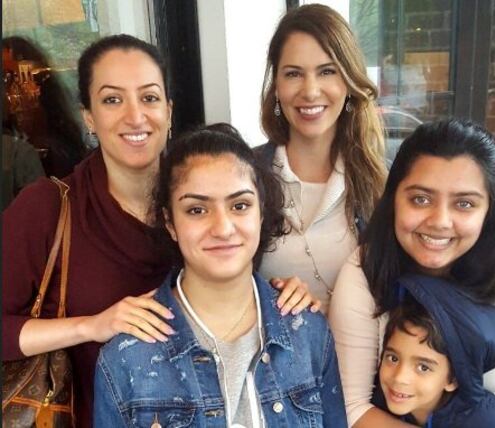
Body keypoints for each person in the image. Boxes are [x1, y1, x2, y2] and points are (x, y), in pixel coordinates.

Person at [2, 34, 315, 428]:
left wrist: (278, 295)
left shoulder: (197, 195)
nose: (135, 116)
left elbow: (226, 271)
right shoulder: (48, 208)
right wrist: (91, 325)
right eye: (112, 99)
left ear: (168, 110)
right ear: (87, 115)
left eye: (149, 98)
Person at [328, 118, 495, 427]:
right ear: (394, 199)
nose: (440, 221)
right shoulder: (366, 269)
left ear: (489, 209)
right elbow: (350, 405)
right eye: (420, 199)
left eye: (464, 204)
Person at [94, 124, 347, 427]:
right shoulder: (127, 358)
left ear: (261, 212)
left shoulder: (307, 331)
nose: (223, 228)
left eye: (240, 205)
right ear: (170, 222)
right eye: (197, 210)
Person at [256, 3, 387, 314]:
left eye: (327, 71)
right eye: (293, 74)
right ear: (277, 86)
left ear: (349, 82)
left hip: (361, 358)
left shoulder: (382, 183)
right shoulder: (248, 175)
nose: (311, 91)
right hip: (274, 358)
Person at [374, 275, 495, 427]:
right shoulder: (380, 402)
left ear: (453, 379)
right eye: (393, 358)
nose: (399, 377)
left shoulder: (488, 423)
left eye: (423, 367)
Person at [2, 36, 90, 178]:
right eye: (5, 79)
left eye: (23, 78)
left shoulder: (61, 147)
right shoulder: (10, 149)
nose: (13, 91)